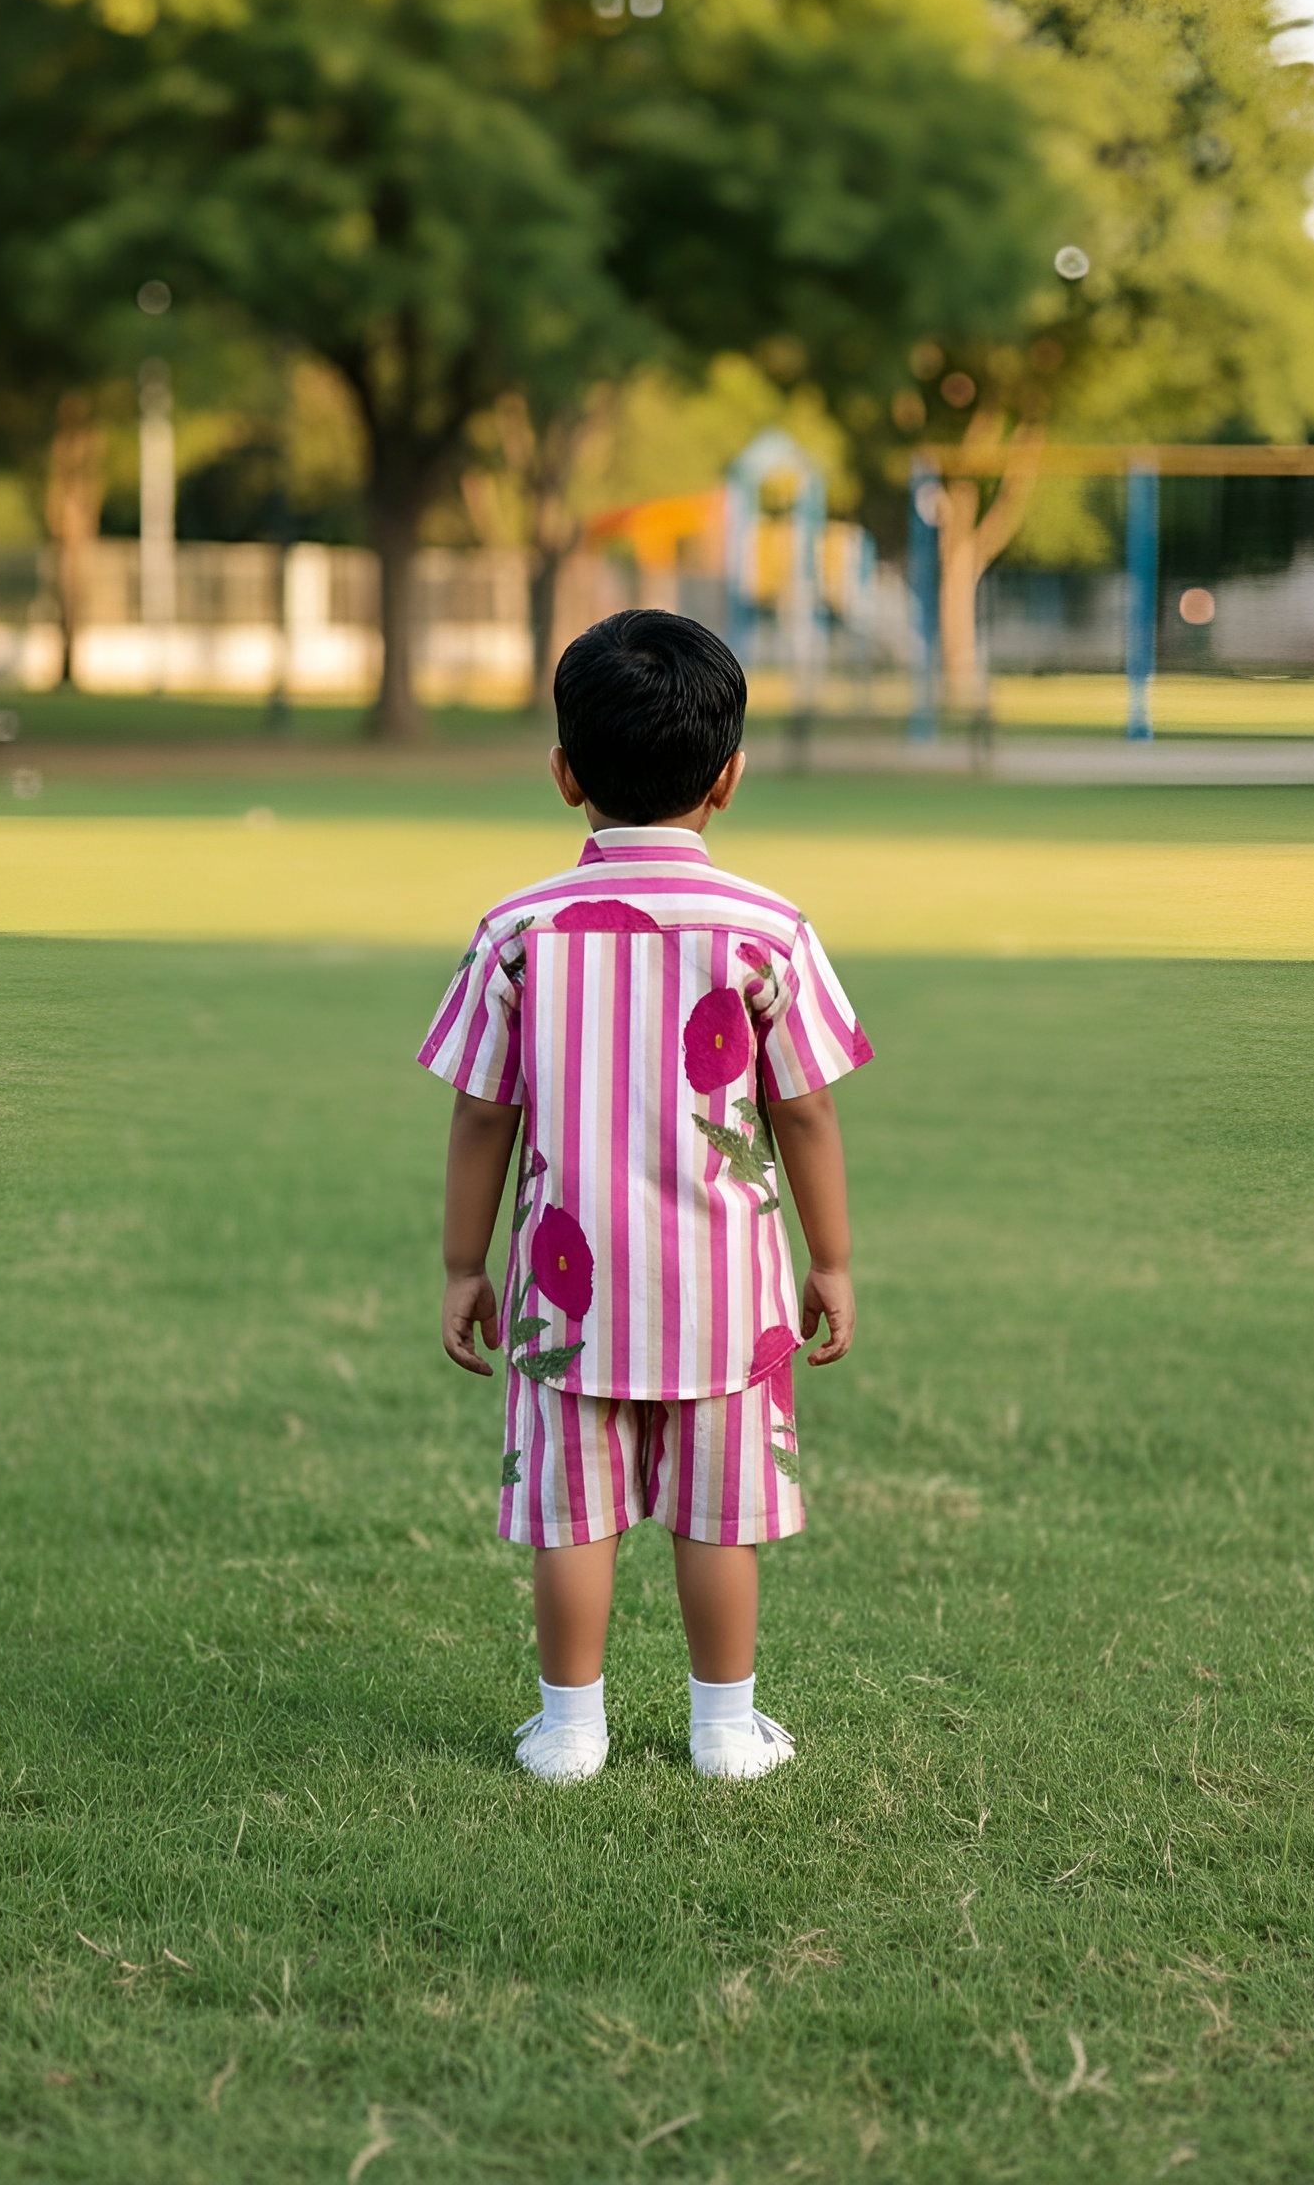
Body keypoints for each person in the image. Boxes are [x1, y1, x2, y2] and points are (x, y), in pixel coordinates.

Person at [418, 610, 872, 1782]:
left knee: (573, 1520)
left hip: (565, 1298)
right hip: (727, 1295)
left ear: (564, 772)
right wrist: (830, 1259)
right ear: (728, 777)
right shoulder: (769, 932)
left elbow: (481, 1113)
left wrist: (463, 1266)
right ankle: (724, 1731)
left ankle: (570, 1731)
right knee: (718, 1521)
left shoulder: (514, 933)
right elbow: (804, 1109)